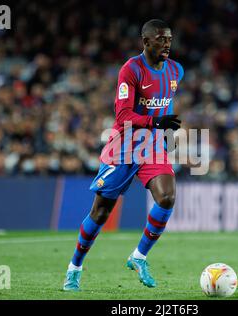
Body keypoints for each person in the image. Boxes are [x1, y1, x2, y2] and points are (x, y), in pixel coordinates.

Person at [63, 19, 184, 291]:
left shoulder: (176, 70)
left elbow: (165, 102)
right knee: (101, 212)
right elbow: (123, 115)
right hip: (125, 145)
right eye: (161, 39)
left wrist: (165, 134)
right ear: (146, 41)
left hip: (152, 145)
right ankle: (74, 268)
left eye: (169, 39)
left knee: (167, 196)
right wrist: (156, 123)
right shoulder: (131, 70)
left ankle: (139, 257)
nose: (167, 44)